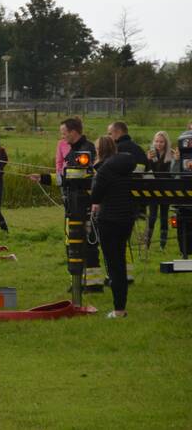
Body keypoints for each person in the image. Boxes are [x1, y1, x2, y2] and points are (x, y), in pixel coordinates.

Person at [30, 117, 103, 292]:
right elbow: (66, 178)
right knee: (73, 244)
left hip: (85, 204)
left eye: (64, 133)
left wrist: (53, 178)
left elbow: (77, 178)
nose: (62, 137)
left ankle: (94, 284)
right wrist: (43, 178)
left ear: (73, 132)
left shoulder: (86, 150)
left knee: (89, 244)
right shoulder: (73, 151)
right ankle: (78, 281)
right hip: (72, 205)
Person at [90, 136, 137, 318]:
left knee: (114, 266)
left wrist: (96, 173)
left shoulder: (104, 170)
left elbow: (95, 196)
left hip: (109, 219)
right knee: (120, 264)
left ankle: (119, 310)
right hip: (126, 218)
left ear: (99, 151)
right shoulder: (125, 165)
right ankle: (120, 307)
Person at [145, 131, 175, 249]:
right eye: (157, 141)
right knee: (152, 216)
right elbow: (147, 171)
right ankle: (147, 242)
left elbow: (172, 173)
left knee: (164, 217)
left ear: (166, 143)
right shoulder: (151, 154)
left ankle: (163, 244)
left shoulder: (171, 154)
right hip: (153, 190)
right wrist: (147, 160)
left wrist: (175, 160)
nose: (159, 144)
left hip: (166, 190)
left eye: (161, 142)